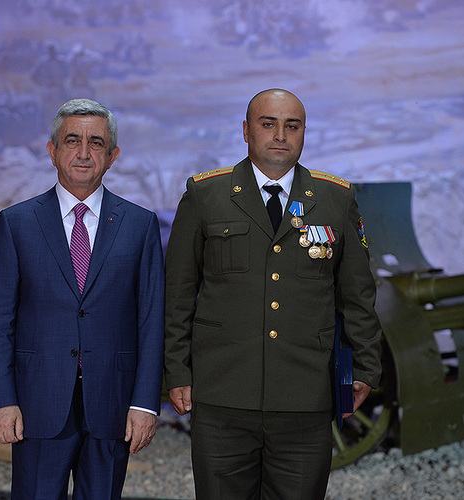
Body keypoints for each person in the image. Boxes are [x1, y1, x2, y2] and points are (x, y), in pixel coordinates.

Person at [164, 88, 383, 499]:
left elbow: (357, 296)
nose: (280, 135)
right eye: (268, 124)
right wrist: (177, 371)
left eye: (292, 126)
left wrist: (365, 369)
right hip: (222, 394)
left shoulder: (336, 199)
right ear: (246, 131)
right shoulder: (206, 195)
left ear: (304, 133)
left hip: (305, 397)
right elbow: (177, 294)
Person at [0, 98, 164, 499]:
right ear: (52, 151)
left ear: (112, 155)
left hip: (113, 404)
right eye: (72, 140)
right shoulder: (16, 223)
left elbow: (152, 322)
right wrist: (1, 400)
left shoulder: (140, 225)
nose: (83, 153)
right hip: (36, 403)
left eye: (96, 142)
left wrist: (145, 404)